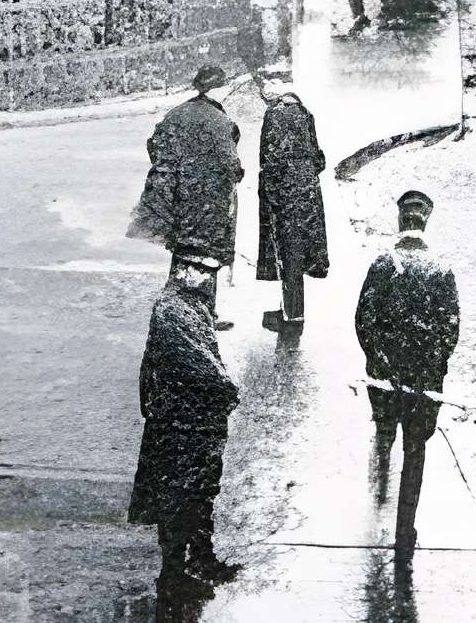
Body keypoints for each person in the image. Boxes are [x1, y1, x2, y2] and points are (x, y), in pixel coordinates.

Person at [354, 189, 460, 560]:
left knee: (387, 427)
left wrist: (380, 362)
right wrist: (431, 368)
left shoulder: (383, 265)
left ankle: (384, 434)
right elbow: (450, 329)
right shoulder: (440, 270)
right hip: (423, 385)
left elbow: (364, 321)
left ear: (401, 223)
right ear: (426, 223)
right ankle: (404, 529)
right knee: (415, 452)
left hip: (386, 379)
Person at [130, 251, 244, 590]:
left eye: (212, 273)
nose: (210, 279)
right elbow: (200, 364)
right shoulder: (174, 309)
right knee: (183, 491)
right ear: (183, 270)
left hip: (193, 418)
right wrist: (227, 390)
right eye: (203, 271)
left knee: (200, 489)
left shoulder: (187, 304)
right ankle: (178, 567)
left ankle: (196, 557)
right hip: (183, 420)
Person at [129, 67, 245, 310]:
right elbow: (229, 162)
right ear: (218, 89)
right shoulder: (219, 119)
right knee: (206, 257)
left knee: (183, 252)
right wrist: (233, 174)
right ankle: (202, 313)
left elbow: (154, 145)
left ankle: (180, 308)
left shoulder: (177, 113)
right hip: (208, 201)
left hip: (178, 198)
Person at [253, 66, 329, 331]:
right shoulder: (304, 112)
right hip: (307, 196)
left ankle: (292, 317)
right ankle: (291, 311)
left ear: (278, 85)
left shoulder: (274, 115)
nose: (264, 91)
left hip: (285, 196)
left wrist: (271, 194)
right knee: (298, 254)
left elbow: (269, 160)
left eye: (266, 85)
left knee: (288, 255)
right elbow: (319, 159)